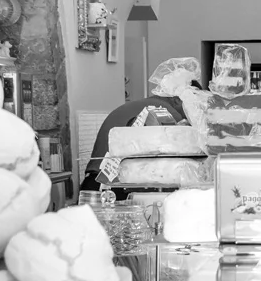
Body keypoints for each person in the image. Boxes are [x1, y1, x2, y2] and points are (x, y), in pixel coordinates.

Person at [78, 58, 202, 196]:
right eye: (191, 103)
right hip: (113, 189)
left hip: (93, 183)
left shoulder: (141, 105)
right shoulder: (166, 112)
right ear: (178, 98)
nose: (192, 110)